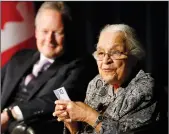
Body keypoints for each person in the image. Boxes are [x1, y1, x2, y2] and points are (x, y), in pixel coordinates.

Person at [1, 2, 98, 134]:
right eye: (45, 31)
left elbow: (61, 98)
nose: (49, 39)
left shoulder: (80, 65)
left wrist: (13, 113)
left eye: (57, 32)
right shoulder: (20, 57)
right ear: (36, 32)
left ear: (67, 33)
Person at [53, 24, 160, 134]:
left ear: (133, 57)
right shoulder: (96, 83)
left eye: (115, 52)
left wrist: (87, 114)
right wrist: (73, 125)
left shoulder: (145, 88)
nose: (105, 60)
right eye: (101, 53)